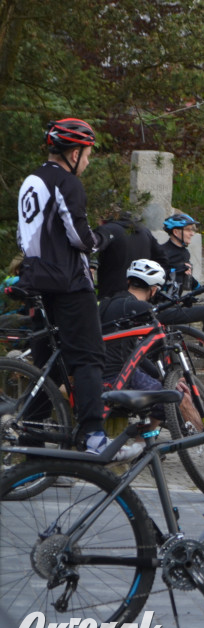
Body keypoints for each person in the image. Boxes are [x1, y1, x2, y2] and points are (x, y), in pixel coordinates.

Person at [16, 118, 110, 453]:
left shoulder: (31, 180)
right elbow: (80, 237)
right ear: (73, 152)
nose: (87, 161)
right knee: (88, 358)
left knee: (50, 366)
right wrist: (103, 238)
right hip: (69, 283)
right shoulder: (67, 183)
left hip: (37, 281)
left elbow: (24, 235)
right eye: (86, 154)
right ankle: (94, 435)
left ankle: (31, 440)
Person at [99, 259, 204, 461]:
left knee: (167, 389)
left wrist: (163, 379)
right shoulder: (138, 308)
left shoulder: (108, 303)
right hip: (116, 377)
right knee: (177, 396)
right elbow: (176, 314)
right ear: (153, 289)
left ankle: (142, 445)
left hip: (97, 371)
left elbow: (135, 355)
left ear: (129, 282)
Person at [94, 211, 168, 299]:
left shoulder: (107, 230)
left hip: (110, 297)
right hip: (140, 297)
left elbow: (90, 250)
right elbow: (163, 260)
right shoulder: (144, 231)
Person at [159, 212, 200, 291]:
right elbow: (157, 276)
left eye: (192, 230)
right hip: (161, 300)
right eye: (188, 230)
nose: (192, 234)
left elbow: (186, 275)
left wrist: (199, 287)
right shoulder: (162, 252)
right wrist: (176, 270)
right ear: (176, 232)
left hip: (176, 298)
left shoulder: (185, 253)